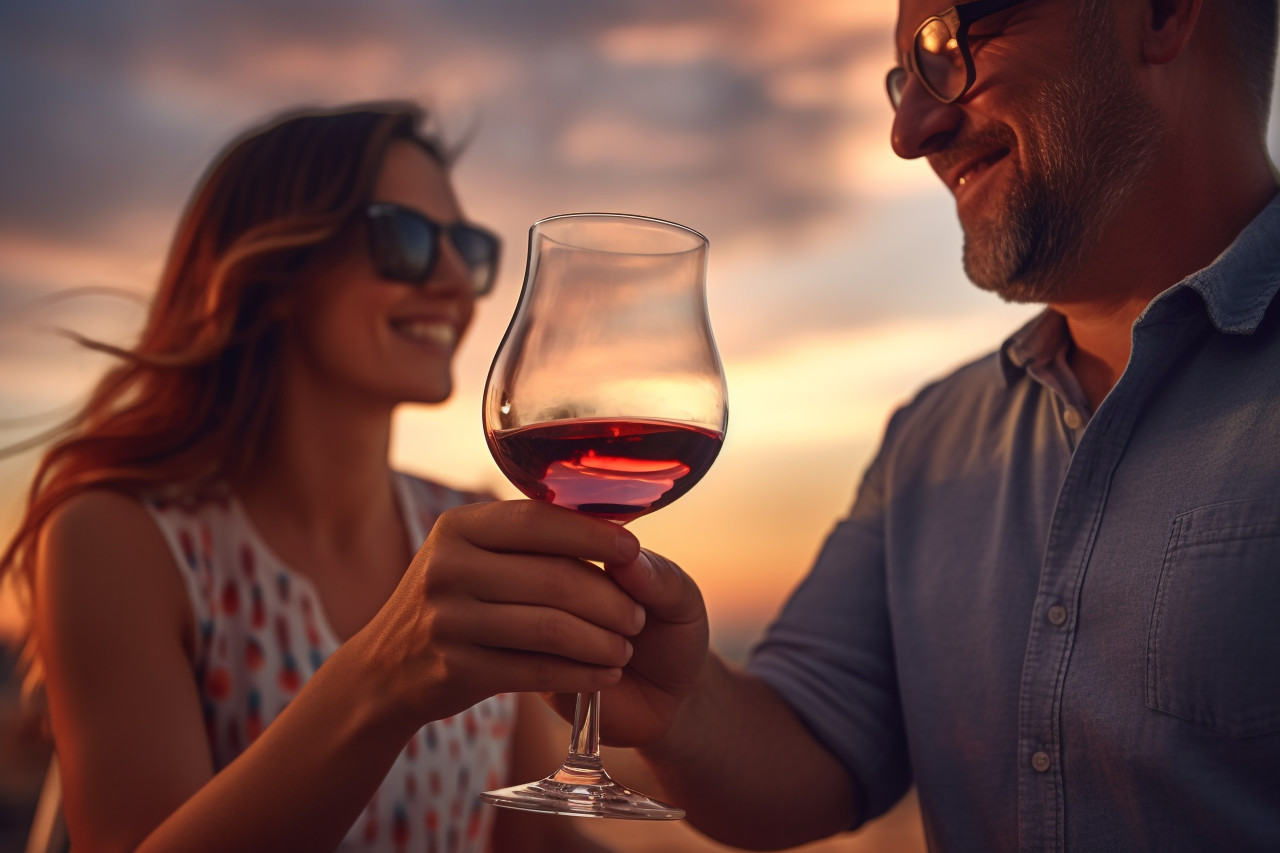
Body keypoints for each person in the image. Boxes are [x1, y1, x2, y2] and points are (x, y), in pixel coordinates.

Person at [489, 0, 1280, 850]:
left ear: (1159, 15)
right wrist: (677, 706)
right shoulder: (932, 439)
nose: (909, 134)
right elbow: (813, 753)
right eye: (906, 79)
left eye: (949, 46)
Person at [1, 102, 646, 852]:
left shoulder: (465, 528)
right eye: (404, 239)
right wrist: (385, 678)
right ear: (279, 275)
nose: (454, 282)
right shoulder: (121, 537)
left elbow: (529, 841)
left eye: (468, 249)